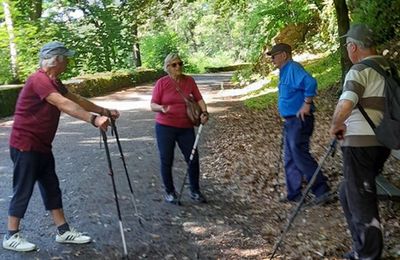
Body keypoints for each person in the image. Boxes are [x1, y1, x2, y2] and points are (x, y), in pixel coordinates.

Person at [3, 41, 120, 252]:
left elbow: (74, 99)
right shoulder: (38, 80)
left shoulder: (55, 81)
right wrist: (93, 120)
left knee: (51, 187)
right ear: (56, 60)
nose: (68, 62)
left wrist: (104, 111)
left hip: (41, 146)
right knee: (23, 188)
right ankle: (11, 236)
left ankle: (63, 231)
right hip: (25, 145)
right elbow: (62, 103)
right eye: (66, 58)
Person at [330, 24, 391, 260]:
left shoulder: (359, 70)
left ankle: (368, 254)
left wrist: (336, 124)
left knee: (360, 198)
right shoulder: (389, 68)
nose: (347, 50)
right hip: (384, 142)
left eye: (347, 46)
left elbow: (346, 104)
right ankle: (361, 247)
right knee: (348, 191)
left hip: (360, 144)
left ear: (353, 47)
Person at [266, 43, 331, 204]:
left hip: (300, 120)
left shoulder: (293, 68)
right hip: (290, 121)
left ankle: (322, 190)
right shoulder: (284, 71)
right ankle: (294, 194)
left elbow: (311, 83)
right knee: (290, 157)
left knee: (300, 155)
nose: (272, 59)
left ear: (284, 55)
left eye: (274, 56)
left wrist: (307, 103)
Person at [151, 53, 209, 204]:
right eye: (174, 64)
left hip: (185, 127)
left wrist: (204, 112)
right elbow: (153, 105)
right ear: (168, 67)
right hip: (165, 127)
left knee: (193, 158)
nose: (178, 67)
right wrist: (162, 108)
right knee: (166, 159)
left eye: (180, 63)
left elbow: (199, 99)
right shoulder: (161, 83)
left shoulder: (189, 81)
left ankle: (195, 191)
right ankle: (170, 192)